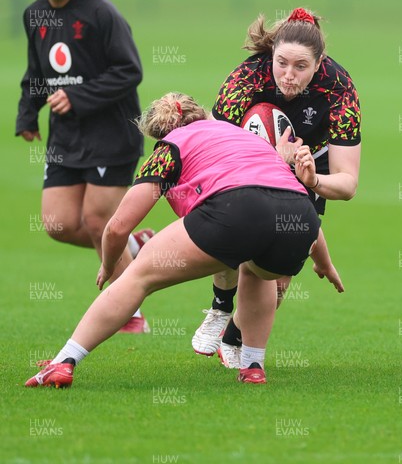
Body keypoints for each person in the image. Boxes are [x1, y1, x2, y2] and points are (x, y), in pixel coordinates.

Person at [24, 92, 344, 389]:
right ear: (203, 115)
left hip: (237, 209)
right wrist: (325, 264)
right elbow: (286, 193)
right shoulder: (245, 137)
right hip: (301, 218)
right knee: (258, 266)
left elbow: (118, 227)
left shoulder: (172, 145)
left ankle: (64, 361)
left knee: (138, 277)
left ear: (158, 133)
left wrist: (109, 266)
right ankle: (253, 366)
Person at [192, 7, 361, 366]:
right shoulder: (245, 79)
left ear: (319, 64)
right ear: (272, 55)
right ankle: (220, 306)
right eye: (281, 63)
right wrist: (269, 156)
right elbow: (218, 149)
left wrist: (312, 180)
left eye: (301, 66)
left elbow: (347, 185)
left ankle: (235, 334)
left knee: (279, 276)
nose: (288, 75)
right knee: (230, 234)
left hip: (308, 165)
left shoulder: (339, 88)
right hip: (244, 160)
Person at [16, 0, 154, 333]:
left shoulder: (101, 14)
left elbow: (130, 71)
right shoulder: (33, 15)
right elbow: (36, 73)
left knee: (98, 221)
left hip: (112, 134)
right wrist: (28, 114)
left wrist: (78, 97)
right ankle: (133, 245)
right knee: (58, 224)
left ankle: (130, 312)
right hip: (67, 138)